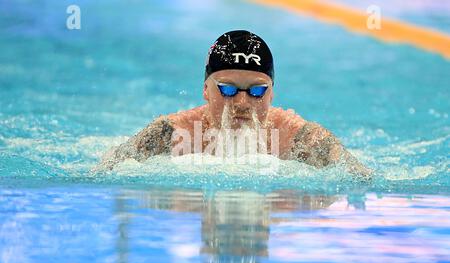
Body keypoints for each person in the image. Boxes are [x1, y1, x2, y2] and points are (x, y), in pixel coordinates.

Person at [95, 30, 372, 179]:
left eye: (257, 91)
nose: (242, 102)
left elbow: (359, 179)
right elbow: (105, 172)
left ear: (273, 93)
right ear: (205, 89)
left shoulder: (298, 139)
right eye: (227, 90)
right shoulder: (173, 133)